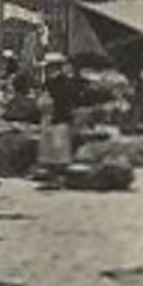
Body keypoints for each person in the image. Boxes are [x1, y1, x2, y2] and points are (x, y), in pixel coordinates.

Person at [37, 53, 80, 189]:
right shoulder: (50, 83)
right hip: (49, 118)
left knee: (58, 149)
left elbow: (65, 103)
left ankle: (58, 179)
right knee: (48, 150)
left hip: (59, 118)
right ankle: (51, 178)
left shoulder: (63, 83)